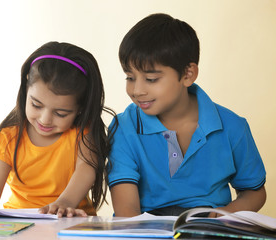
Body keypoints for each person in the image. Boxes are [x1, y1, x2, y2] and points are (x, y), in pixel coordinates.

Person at [107, 13, 266, 217]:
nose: (137, 90)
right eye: (130, 77)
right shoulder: (123, 127)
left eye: (151, 79)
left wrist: (225, 215)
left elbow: (254, 192)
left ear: (188, 74)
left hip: (208, 228)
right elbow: (126, 211)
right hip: (146, 230)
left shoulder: (233, 126)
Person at [0, 41, 116, 217]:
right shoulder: (9, 137)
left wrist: (65, 202)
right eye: (36, 105)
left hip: (70, 221)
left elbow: (86, 170)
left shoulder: (83, 135)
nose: (45, 120)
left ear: (80, 108)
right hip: (18, 222)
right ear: (26, 90)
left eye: (61, 113)